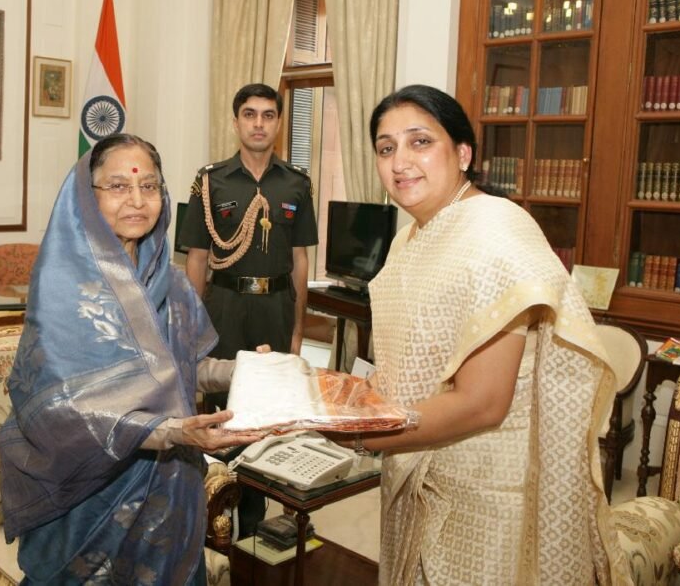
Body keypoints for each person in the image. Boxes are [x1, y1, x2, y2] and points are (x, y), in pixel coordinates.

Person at [338, 85, 631, 584]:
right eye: (386, 148)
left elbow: (484, 403)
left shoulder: (496, 230)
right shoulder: (411, 236)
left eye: (420, 142)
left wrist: (366, 431)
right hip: (416, 458)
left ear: (463, 153)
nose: (400, 161)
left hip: (484, 481)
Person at [0, 134, 260, 585]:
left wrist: (249, 370)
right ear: (87, 195)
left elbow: (186, 369)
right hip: (87, 494)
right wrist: (170, 431)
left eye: (149, 186)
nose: (137, 200)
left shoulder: (174, 284)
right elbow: (60, 408)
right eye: (118, 187)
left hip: (169, 486)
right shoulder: (65, 289)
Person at [178, 82, 318, 538]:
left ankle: (257, 523)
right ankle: (214, 510)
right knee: (222, 411)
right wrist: (192, 328)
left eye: (268, 115)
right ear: (236, 121)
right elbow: (197, 259)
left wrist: (297, 332)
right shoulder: (210, 181)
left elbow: (300, 260)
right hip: (225, 306)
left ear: (278, 123)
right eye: (250, 114)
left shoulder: (296, 183)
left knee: (268, 415)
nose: (259, 123)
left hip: (275, 306)